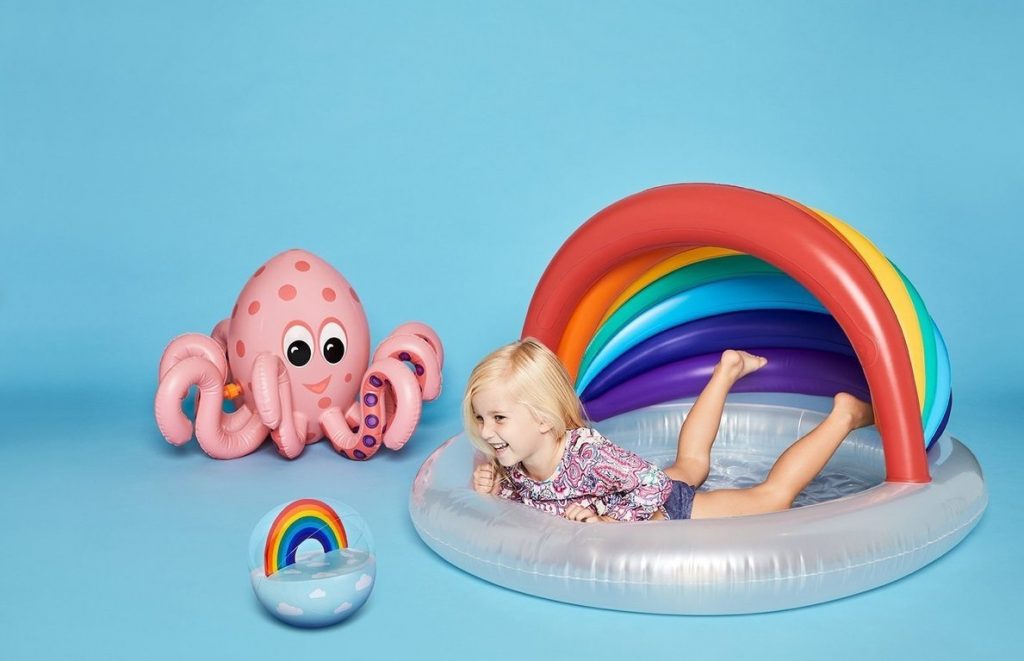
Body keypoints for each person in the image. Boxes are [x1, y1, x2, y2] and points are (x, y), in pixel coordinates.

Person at [465, 338, 874, 522]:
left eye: (498, 418)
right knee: (691, 463)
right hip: (638, 489)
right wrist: (494, 487)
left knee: (772, 499)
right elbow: (533, 496)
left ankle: (844, 416)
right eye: (481, 418)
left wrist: (606, 520)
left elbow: (652, 488)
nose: (486, 432)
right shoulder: (515, 457)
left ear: (543, 419)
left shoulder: (587, 453)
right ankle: (727, 370)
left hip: (663, 506)